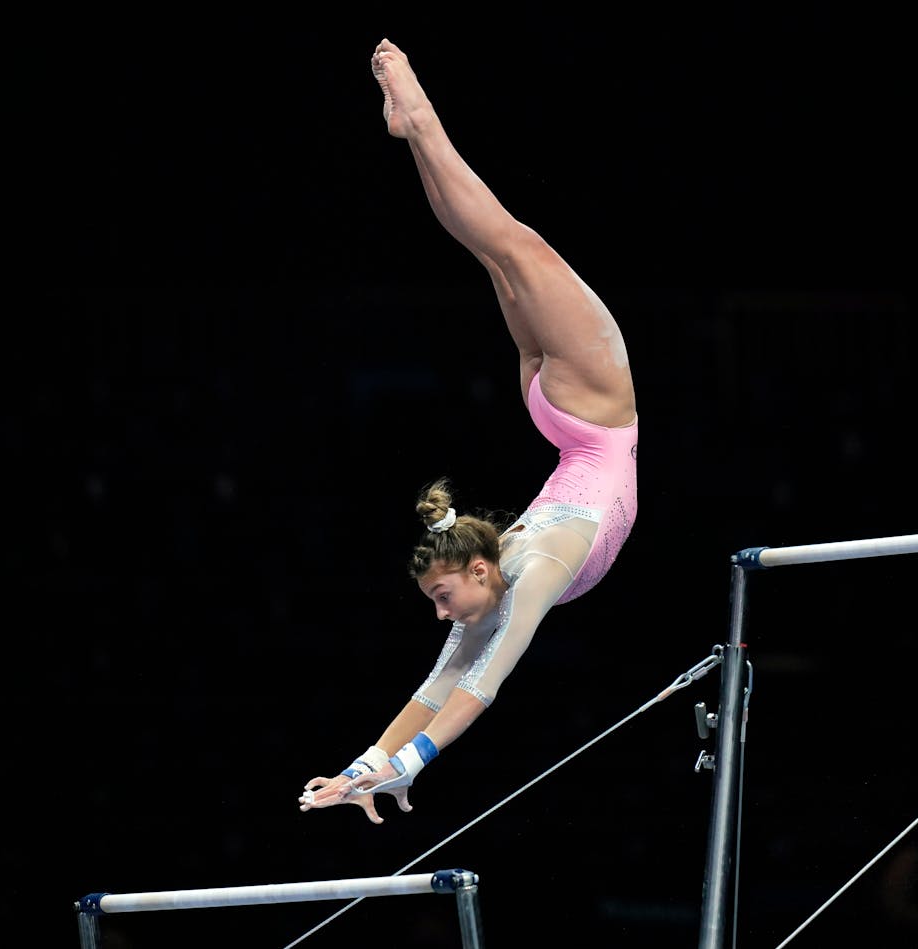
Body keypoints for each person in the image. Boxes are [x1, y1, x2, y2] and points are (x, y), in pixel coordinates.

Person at [299, 39, 638, 823]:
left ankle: (416, 124)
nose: (443, 615)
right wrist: (383, 766)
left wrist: (377, 765)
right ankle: (416, 120)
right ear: (484, 570)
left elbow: (441, 684)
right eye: (443, 600)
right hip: (594, 409)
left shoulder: (502, 573)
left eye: (441, 598)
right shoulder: (538, 568)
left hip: (571, 420)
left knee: (496, 247)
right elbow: (469, 683)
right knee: (506, 244)